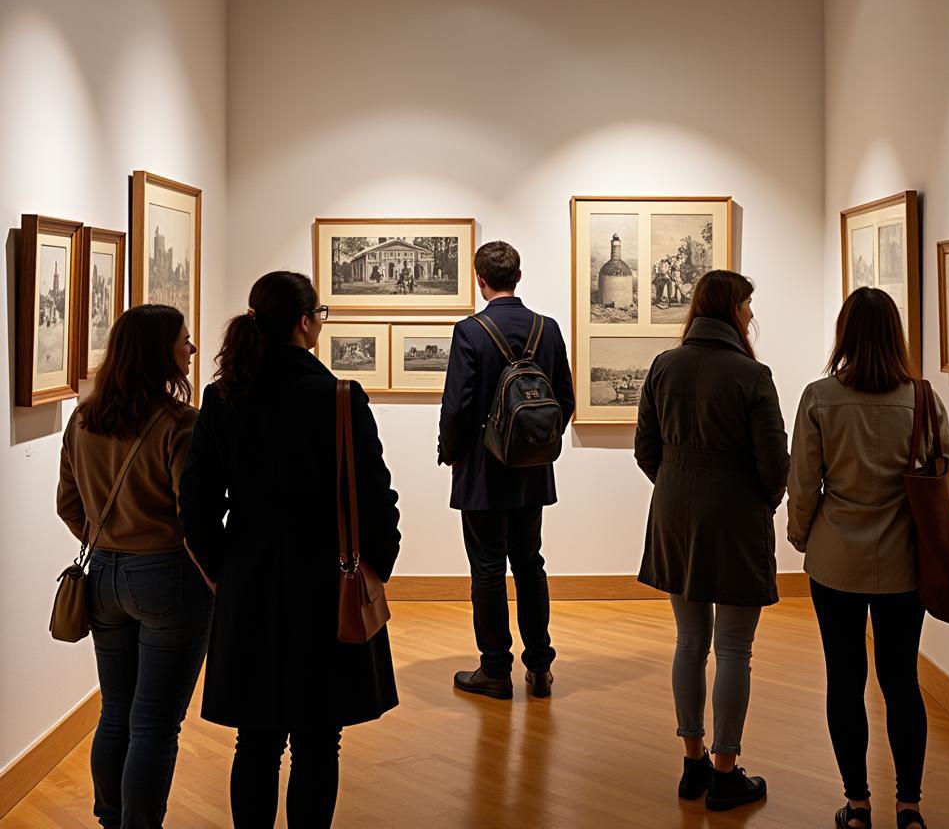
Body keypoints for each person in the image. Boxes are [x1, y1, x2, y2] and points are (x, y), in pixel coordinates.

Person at [178, 271, 400, 829]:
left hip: (249, 576)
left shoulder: (223, 395)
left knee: (255, 740)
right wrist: (377, 565)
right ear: (305, 322)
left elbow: (196, 504)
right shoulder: (338, 396)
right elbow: (374, 496)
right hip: (326, 579)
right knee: (319, 740)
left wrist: (218, 570)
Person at [788, 288, 949, 829]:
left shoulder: (819, 397)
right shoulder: (923, 398)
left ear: (845, 333)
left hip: (835, 562)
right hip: (904, 564)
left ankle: (859, 804)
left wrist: (801, 537)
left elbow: (802, 485)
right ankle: (910, 807)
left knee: (844, 679)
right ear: (896, 335)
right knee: (901, 681)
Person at [634, 270, 789, 811]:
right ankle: (726, 773)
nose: (750, 314)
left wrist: (679, 486)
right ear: (729, 309)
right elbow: (775, 464)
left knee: (689, 642)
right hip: (736, 518)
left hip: (675, 515)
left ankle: (692, 764)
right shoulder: (752, 374)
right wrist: (756, 502)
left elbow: (645, 450)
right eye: (747, 304)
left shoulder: (663, 366)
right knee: (733, 648)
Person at [57, 304, 209, 829]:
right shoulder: (181, 423)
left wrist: (109, 539)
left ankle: (110, 817)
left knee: (116, 710)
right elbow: (196, 517)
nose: (191, 348)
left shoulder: (83, 418)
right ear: (156, 351)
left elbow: (68, 504)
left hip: (102, 577)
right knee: (154, 723)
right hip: (167, 577)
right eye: (183, 340)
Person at [438, 241, 575, 700]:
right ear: (519, 277)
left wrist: (450, 452)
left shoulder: (470, 331)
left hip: (482, 471)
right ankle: (539, 668)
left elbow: (457, 405)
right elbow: (565, 400)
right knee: (530, 563)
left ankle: (495, 669)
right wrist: (536, 445)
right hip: (532, 472)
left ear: (479, 280)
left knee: (488, 569)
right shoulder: (547, 329)